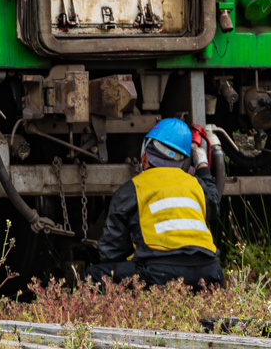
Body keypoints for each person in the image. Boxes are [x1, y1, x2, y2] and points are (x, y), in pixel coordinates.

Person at [85, 117, 222, 291]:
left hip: (161, 276)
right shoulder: (195, 184)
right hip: (210, 275)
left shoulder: (132, 188)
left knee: (92, 276)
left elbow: (112, 251)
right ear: (183, 161)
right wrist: (202, 162)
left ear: (144, 155)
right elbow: (213, 203)